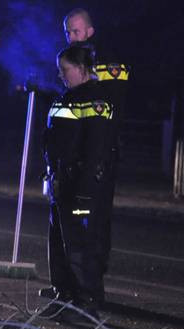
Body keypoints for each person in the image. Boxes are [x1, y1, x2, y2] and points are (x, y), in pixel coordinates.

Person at [41, 45, 114, 322]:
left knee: (81, 246)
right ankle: (64, 296)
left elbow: (97, 149)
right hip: (61, 182)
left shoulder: (96, 101)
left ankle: (86, 303)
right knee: (59, 244)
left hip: (81, 186)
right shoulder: (66, 98)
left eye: (65, 69)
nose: (61, 75)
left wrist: (86, 190)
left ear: (82, 69)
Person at [64, 8, 129, 280]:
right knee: (76, 219)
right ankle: (76, 281)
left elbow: (110, 107)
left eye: (76, 31)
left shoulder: (107, 61)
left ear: (90, 31)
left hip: (101, 150)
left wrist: (101, 151)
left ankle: (93, 281)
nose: (71, 37)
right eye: (67, 32)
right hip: (79, 151)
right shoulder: (72, 59)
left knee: (97, 217)